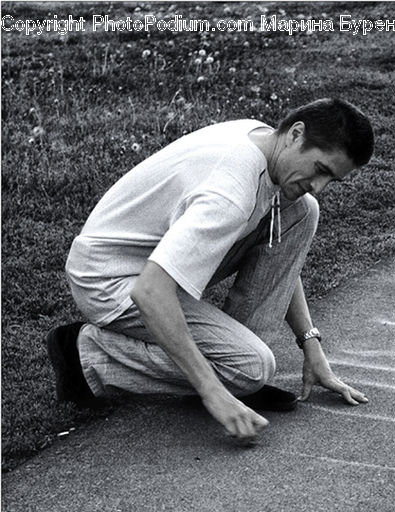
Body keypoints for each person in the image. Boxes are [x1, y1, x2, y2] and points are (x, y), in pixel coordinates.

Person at [47, 98, 373, 445]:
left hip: (147, 261)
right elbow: (150, 292)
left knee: (303, 211)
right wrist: (212, 392)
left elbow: (280, 253)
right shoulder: (230, 194)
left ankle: (238, 378)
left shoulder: (261, 140)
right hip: (111, 279)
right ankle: (88, 355)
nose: (319, 184)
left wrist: (310, 343)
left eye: (331, 179)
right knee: (251, 367)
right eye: (320, 169)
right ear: (296, 134)